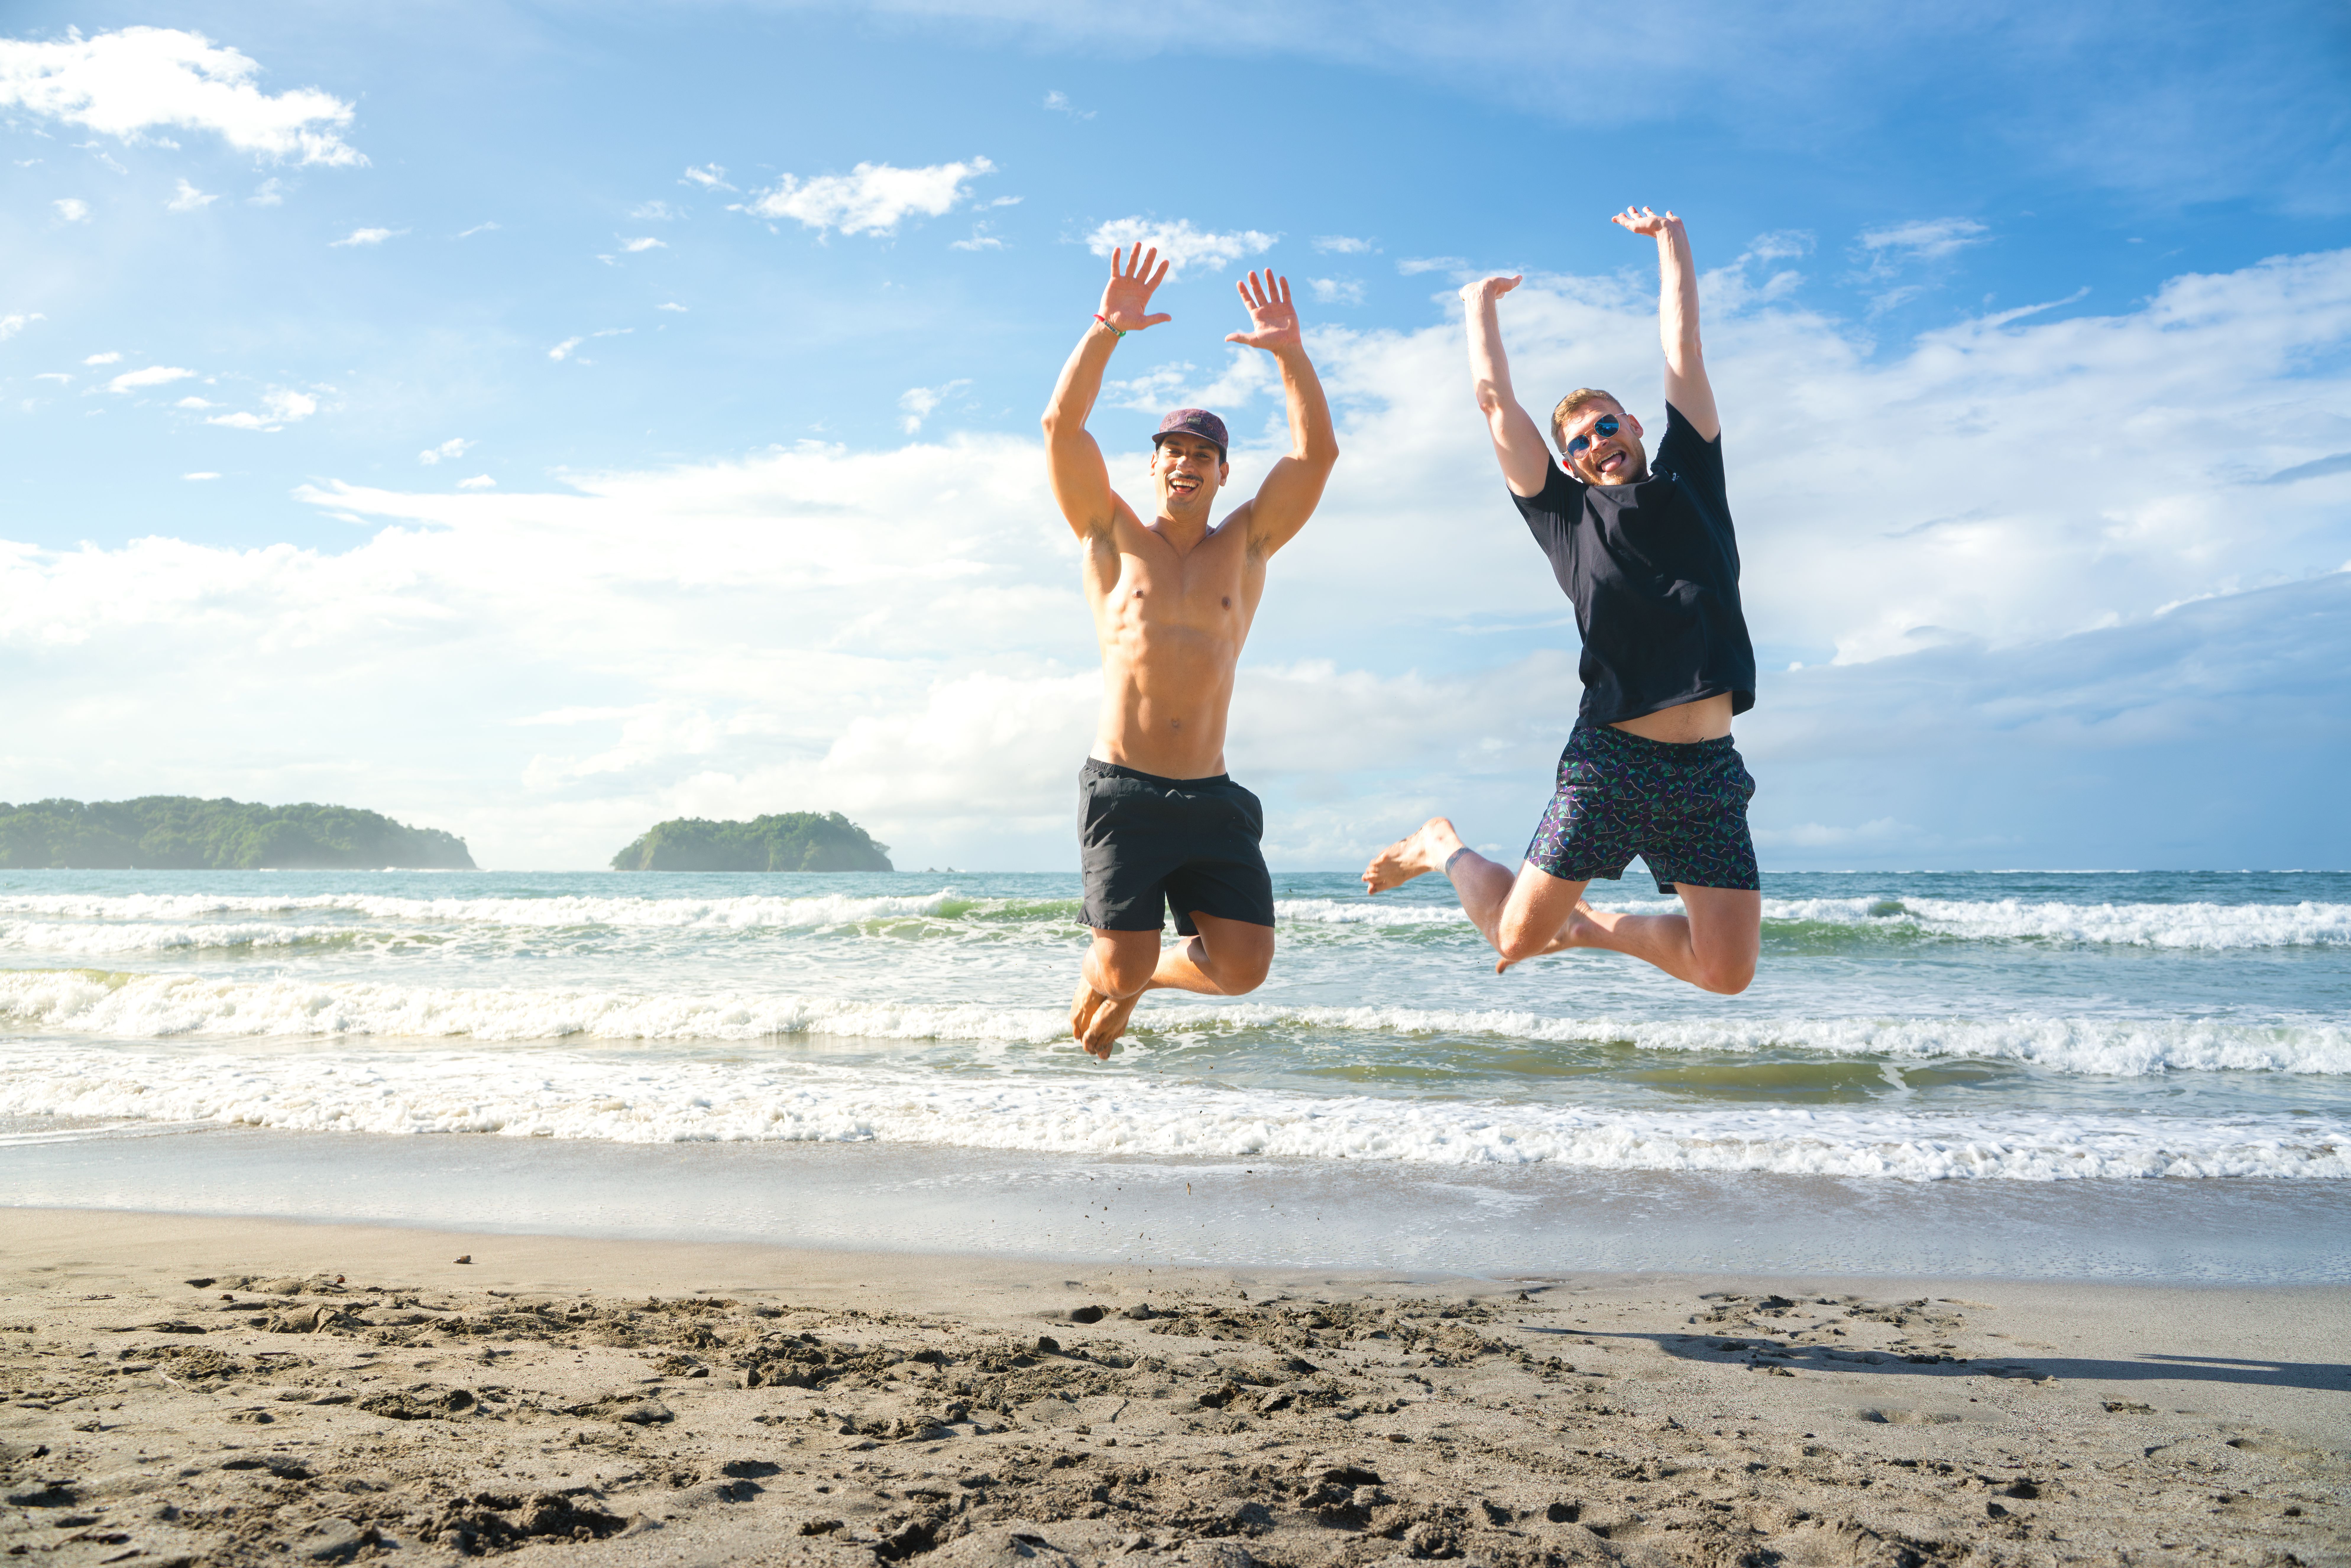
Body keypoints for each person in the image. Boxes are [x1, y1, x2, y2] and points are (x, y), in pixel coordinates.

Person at [1361, 207, 1761, 994]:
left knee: (1726, 973)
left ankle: (1584, 926)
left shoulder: (1693, 477)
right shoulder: (1567, 518)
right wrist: (1478, 307)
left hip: (1709, 772)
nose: (1596, 443)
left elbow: (1684, 349)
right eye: (1578, 442)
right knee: (1514, 940)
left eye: (1606, 426)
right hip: (1612, 763)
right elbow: (1496, 407)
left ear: (1634, 425)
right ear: (1570, 464)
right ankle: (1441, 845)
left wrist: (1672, 242)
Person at [1044, 243, 1340, 1057]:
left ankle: (1142, 980)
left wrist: (1290, 353)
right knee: (1119, 964)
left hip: (1210, 793)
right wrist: (1108, 328)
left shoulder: (1248, 545)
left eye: (1203, 454)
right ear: (1153, 464)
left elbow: (1315, 456)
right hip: (1124, 790)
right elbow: (1062, 427)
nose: (1187, 462)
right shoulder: (1108, 531)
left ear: (1222, 473)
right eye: (1174, 450)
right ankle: (1117, 973)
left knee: (1244, 968)